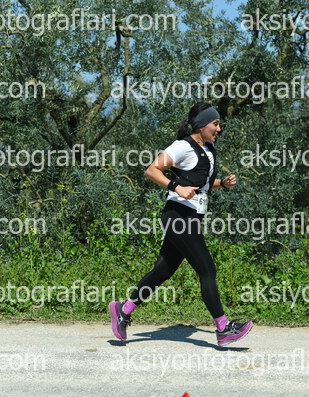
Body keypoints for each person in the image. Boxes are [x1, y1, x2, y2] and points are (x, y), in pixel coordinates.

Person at [108, 102, 253, 346]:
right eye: (215, 124)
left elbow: (201, 183)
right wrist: (176, 187)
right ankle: (223, 327)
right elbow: (152, 169)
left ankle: (124, 309)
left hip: (190, 216)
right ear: (201, 125)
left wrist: (222, 184)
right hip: (178, 216)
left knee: (163, 271)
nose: (219, 129)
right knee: (207, 269)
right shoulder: (182, 146)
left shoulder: (207, 150)